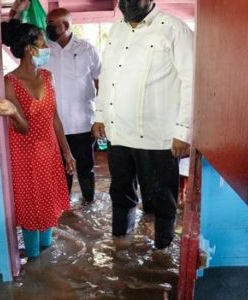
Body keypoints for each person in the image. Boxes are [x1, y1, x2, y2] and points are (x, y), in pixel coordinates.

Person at [92, 0, 194, 250]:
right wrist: (100, 115)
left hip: (158, 135)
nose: (127, 3)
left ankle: (163, 247)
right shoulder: (117, 30)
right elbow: (107, 77)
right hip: (119, 131)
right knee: (120, 191)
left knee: (161, 195)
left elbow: (192, 80)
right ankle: (120, 241)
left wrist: (184, 130)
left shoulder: (173, 29)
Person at [0, 18, 75, 259]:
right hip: (25, 154)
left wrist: (67, 152)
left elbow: (54, 117)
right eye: (43, 44)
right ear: (28, 49)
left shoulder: (47, 77)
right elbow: (23, 129)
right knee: (32, 204)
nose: (47, 49)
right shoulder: (9, 82)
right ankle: (35, 260)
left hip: (50, 151)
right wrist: (13, 112)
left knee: (47, 202)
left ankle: (46, 254)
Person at [43, 8, 102, 204]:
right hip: (54, 123)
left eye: (51, 23)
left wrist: (101, 116)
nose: (47, 27)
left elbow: (100, 81)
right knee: (60, 170)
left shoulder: (87, 49)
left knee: (86, 167)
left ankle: (89, 202)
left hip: (83, 122)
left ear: (65, 25)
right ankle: (63, 206)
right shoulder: (43, 50)